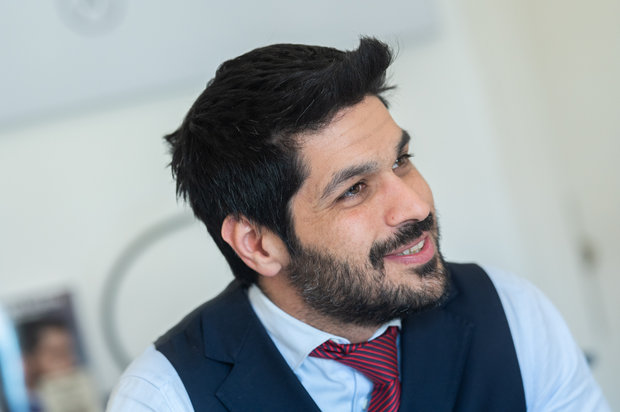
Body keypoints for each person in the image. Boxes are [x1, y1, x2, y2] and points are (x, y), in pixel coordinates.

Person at [107, 38, 609, 411]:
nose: (415, 205)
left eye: (401, 161)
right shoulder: (164, 398)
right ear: (257, 244)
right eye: (354, 189)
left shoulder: (512, 313)